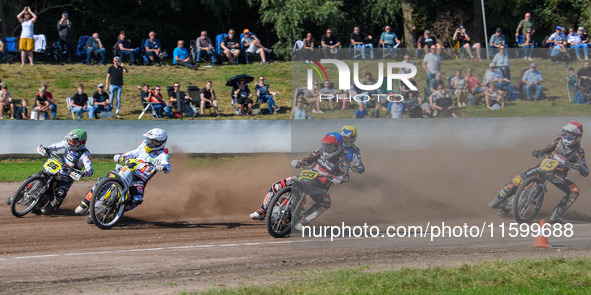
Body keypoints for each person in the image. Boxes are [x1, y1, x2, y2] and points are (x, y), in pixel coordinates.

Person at [250, 127, 360, 222]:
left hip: (319, 187)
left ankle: (301, 223)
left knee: (325, 203)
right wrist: (300, 162)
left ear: (337, 147)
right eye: (325, 145)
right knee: (276, 185)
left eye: (330, 146)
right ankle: (262, 211)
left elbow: (345, 176)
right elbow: (308, 159)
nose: (327, 148)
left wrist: (339, 178)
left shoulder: (342, 161)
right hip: (304, 178)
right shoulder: (320, 151)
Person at [489, 122, 589, 223]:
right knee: (517, 180)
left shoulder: (579, 153)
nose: (566, 136)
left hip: (557, 175)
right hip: (542, 167)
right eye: (565, 133)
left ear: (577, 137)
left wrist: (578, 167)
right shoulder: (559, 141)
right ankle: (499, 198)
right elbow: (546, 149)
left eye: (570, 135)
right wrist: (539, 152)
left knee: (575, 190)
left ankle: (556, 214)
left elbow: (585, 171)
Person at [75, 128, 171, 215]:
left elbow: (167, 165)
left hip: (139, 179)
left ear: (159, 143)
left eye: (152, 141)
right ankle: (84, 204)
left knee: (136, 200)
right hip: (126, 169)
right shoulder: (143, 145)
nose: (148, 142)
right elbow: (134, 153)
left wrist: (163, 167)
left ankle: (117, 212)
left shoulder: (163, 154)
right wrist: (122, 156)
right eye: (148, 139)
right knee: (102, 181)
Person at [37, 129, 93, 214]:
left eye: (73, 142)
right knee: (40, 175)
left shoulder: (85, 154)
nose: (70, 143)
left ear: (81, 143)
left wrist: (81, 173)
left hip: (68, 177)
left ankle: (51, 206)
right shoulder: (66, 143)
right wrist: (47, 149)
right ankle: (22, 192)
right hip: (56, 168)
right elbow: (55, 146)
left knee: (60, 193)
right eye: (69, 140)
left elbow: (90, 171)